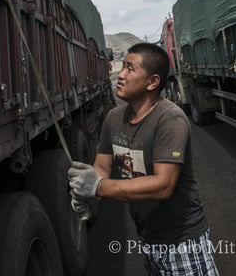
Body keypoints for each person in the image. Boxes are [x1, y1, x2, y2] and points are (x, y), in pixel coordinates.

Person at [68, 43, 219, 275]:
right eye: (122, 68)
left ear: (152, 82)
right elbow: (101, 168)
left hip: (183, 242)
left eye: (129, 69)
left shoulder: (170, 120)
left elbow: (163, 185)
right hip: (148, 239)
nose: (119, 75)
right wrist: (87, 194)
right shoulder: (113, 119)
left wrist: (98, 188)